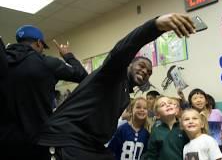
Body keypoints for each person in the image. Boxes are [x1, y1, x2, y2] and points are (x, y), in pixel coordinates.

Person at [37, 13, 196, 160]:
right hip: (66, 139)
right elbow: (122, 50)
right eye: (141, 65)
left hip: (91, 145)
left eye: (149, 72)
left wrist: (69, 57)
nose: (145, 71)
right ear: (128, 66)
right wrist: (155, 26)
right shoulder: (113, 75)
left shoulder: (124, 92)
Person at [0, 25, 88, 159]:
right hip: (38, 141)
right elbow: (82, 75)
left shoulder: (3, 62)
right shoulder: (46, 63)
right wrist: (67, 55)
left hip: (6, 142)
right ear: (38, 43)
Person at [144, 96, 189, 160]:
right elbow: (151, 154)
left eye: (170, 103)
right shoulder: (156, 131)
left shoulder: (184, 127)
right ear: (157, 115)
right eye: (163, 105)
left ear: (176, 110)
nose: (168, 105)